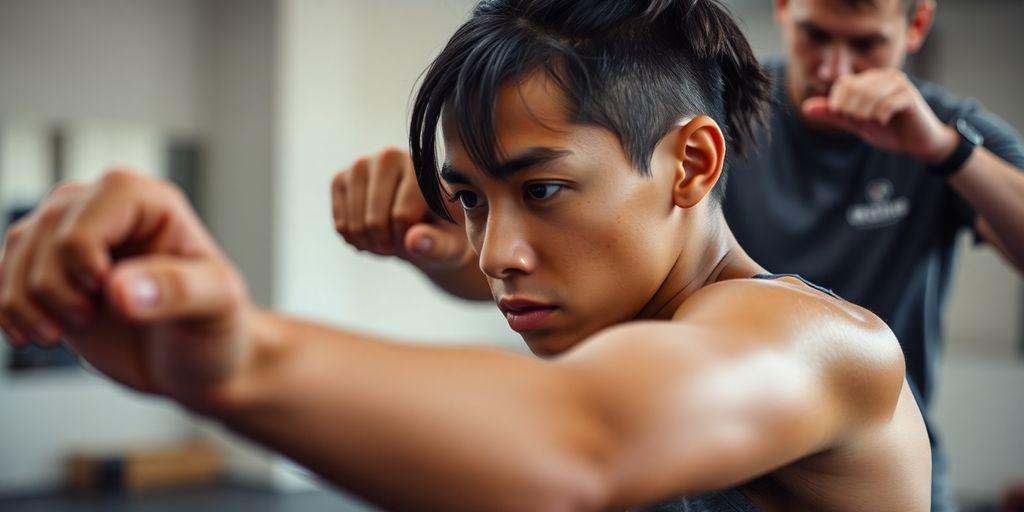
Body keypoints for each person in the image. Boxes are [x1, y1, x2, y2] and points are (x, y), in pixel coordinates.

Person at [1, 1, 932, 510]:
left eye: (542, 190)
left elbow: (578, 444)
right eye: (472, 199)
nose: (499, 256)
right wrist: (430, 247)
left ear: (691, 164)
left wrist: (236, 357)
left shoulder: (819, 345)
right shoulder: (629, 320)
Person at [719, 1, 1024, 510]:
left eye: (865, 45)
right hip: (735, 466)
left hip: (893, 467)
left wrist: (945, 151)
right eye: (814, 35)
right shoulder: (723, 109)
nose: (833, 69)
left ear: (916, 26)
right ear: (784, 8)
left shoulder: (949, 127)